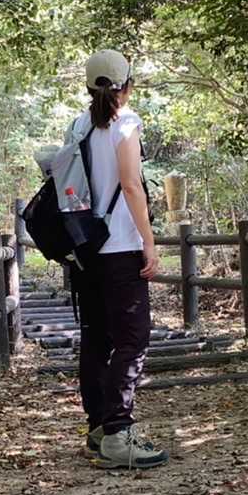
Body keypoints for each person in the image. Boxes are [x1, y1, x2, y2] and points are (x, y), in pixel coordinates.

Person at [71, 49, 167, 469]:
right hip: (121, 248)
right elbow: (131, 184)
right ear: (127, 85)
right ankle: (117, 433)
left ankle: (98, 428)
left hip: (85, 250)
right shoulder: (125, 122)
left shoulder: (77, 127)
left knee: (96, 340)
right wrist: (149, 240)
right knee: (133, 339)